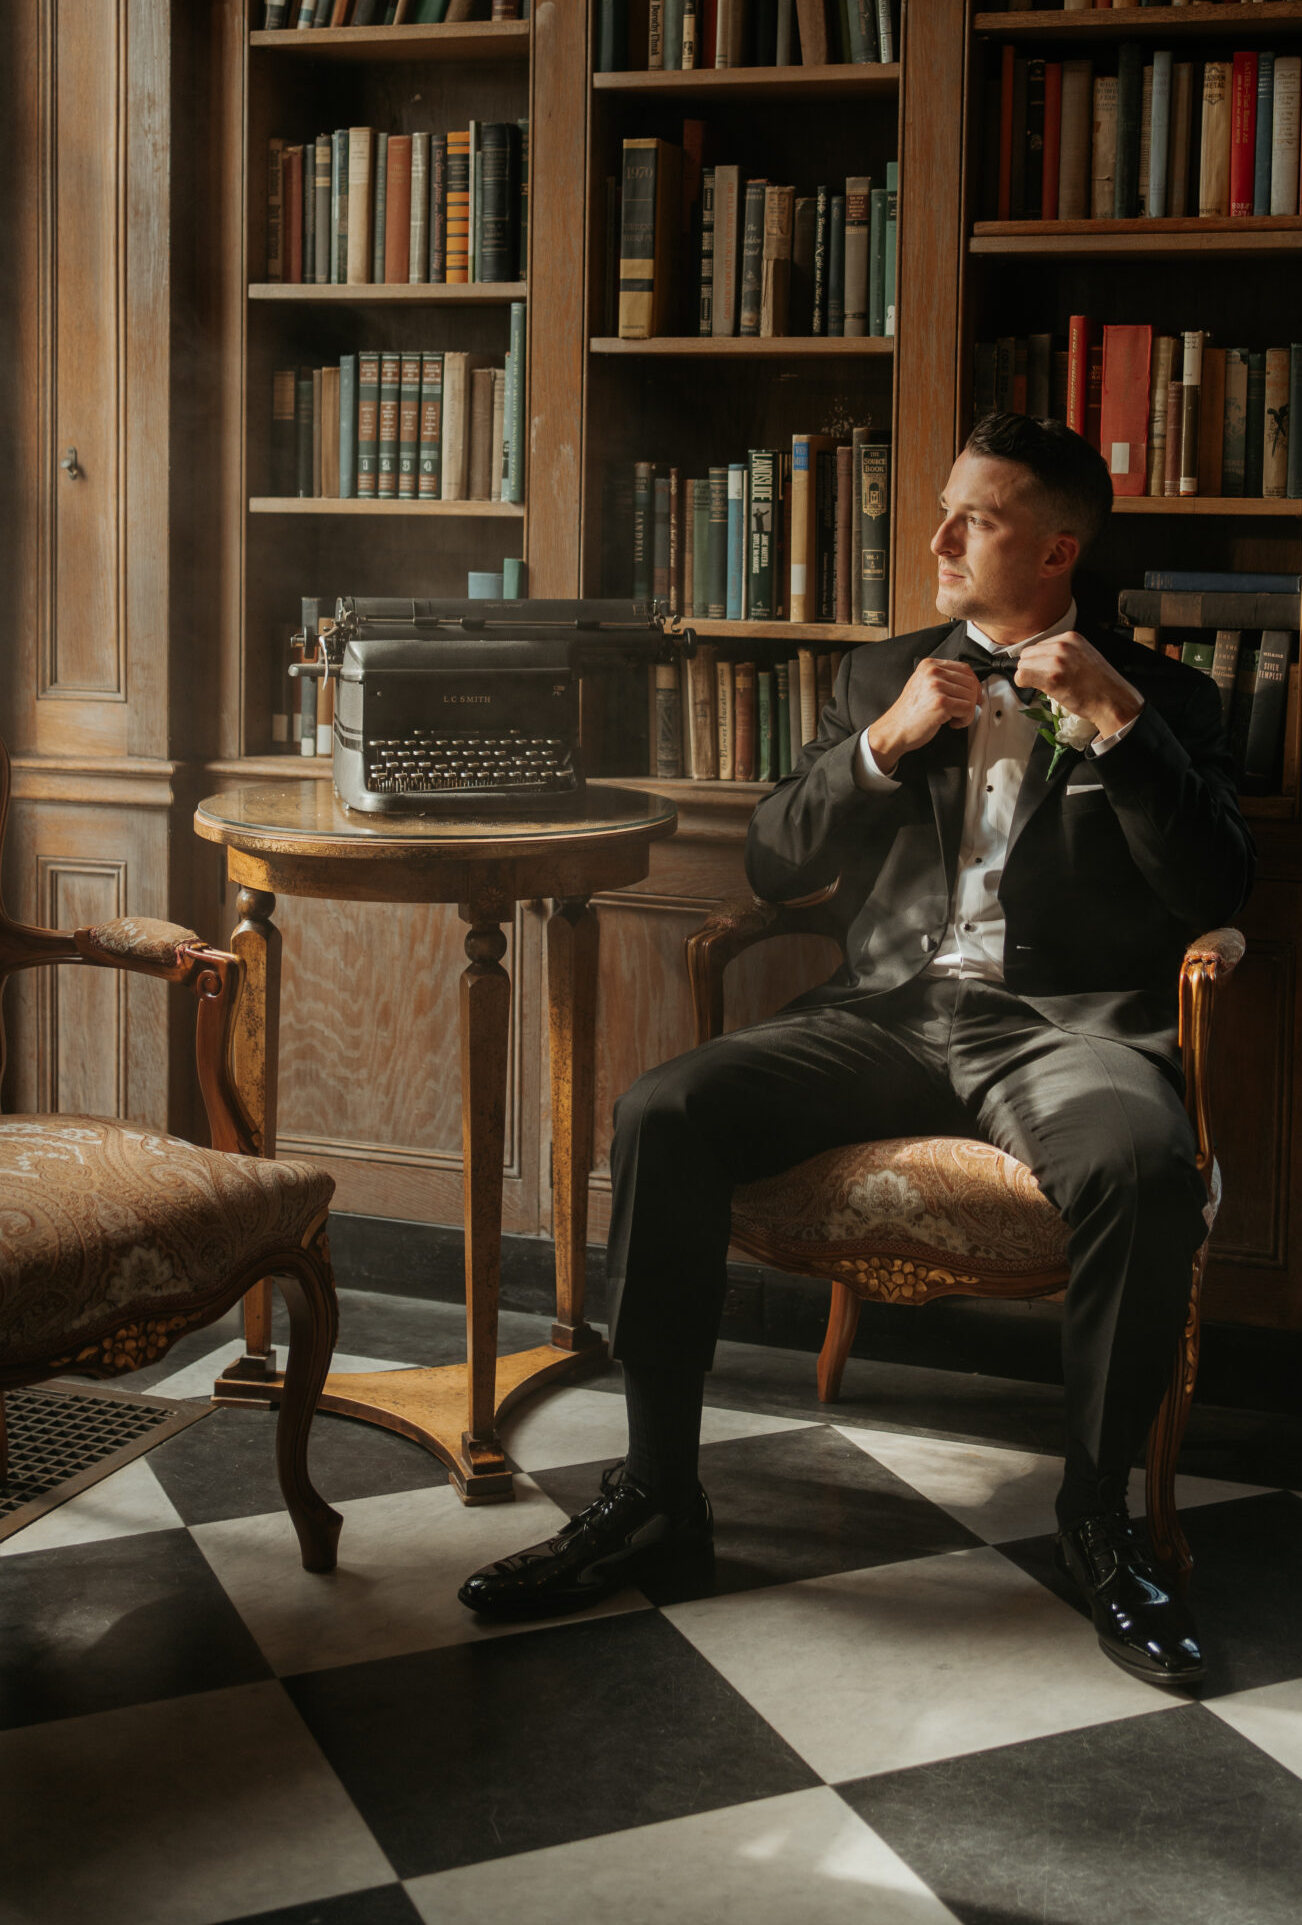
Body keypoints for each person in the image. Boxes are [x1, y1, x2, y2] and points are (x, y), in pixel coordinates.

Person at [460, 413, 1255, 1685]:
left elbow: (1217, 882)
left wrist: (1118, 727)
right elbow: (777, 860)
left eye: (976, 519)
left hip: (1062, 1030)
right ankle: (658, 1491)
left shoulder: (1169, 696)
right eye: (943, 510)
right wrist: (882, 745)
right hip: (886, 1010)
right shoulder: (878, 671)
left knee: (1143, 1163)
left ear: (1057, 551)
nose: (935, 537)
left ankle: (1098, 1525)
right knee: (664, 1109)